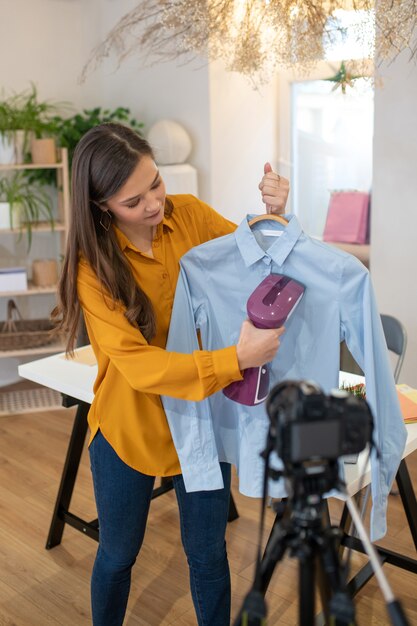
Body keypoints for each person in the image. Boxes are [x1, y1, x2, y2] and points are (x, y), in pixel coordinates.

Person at [53, 122, 289, 626]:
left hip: (198, 425)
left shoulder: (190, 215)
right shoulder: (92, 268)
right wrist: (236, 360)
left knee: (207, 555)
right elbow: (140, 366)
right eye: (133, 201)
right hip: (128, 429)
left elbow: (256, 262)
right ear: (102, 206)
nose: (155, 204)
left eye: (155, 183)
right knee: (117, 555)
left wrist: (274, 216)